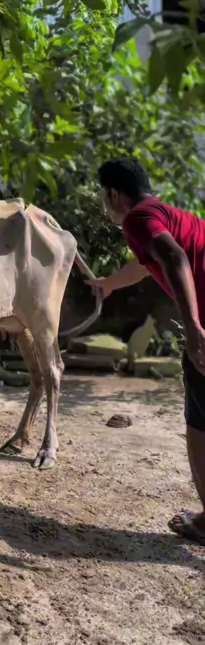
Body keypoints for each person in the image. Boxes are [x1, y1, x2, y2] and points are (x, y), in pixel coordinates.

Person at [90, 157, 205, 545]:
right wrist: (109, 283)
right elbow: (145, 265)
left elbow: (173, 257)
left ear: (114, 194)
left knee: (200, 425)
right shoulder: (165, 215)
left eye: (102, 197)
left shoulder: (137, 219)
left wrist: (193, 327)